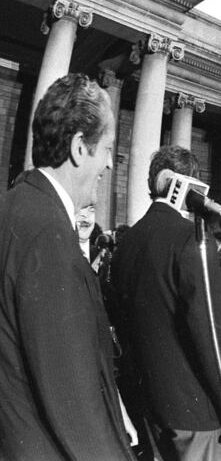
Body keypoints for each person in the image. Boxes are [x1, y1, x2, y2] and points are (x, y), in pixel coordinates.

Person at [0, 73, 136, 460]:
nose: (109, 165)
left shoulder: (13, 209)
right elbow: (74, 402)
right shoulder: (51, 237)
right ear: (80, 148)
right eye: (107, 149)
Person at [110, 145, 221, 461]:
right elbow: (209, 331)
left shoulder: (125, 242)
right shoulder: (191, 237)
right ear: (184, 184)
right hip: (195, 410)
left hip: (147, 403)